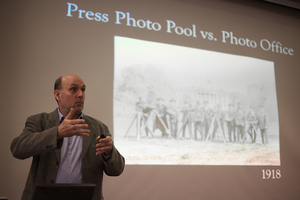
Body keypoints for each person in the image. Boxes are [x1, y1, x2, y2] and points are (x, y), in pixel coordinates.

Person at [10, 74, 125, 200]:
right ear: (58, 95)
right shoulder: (40, 122)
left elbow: (117, 170)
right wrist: (57, 133)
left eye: (83, 90)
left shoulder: (99, 128)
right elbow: (18, 149)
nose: (80, 94)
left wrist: (109, 152)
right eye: (73, 89)